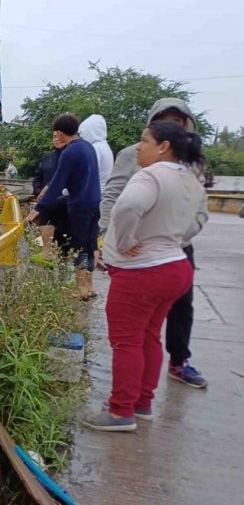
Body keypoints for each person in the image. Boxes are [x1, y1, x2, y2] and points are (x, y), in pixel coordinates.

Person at [84, 121, 207, 432]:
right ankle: (142, 403)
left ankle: (120, 411)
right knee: (149, 337)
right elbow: (197, 221)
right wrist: (171, 240)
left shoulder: (151, 175)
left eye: (145, 140)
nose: (140, 147)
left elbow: (126, 206)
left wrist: (123, 242)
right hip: (176, 267)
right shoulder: (190, 179)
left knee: (126, 342)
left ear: (163, 146)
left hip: (143, 272)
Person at [100, 98, 209, 389]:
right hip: (138, 250)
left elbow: (199, 210)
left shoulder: (188, 164)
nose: (172, 126)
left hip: (169, 249)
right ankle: (141, 401)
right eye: (165, 120)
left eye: (178, 121)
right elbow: (114, 197)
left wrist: (172, 238)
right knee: (142, 330)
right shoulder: (134, 156)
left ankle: (174, 365)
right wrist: (111, 236)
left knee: (144, 329)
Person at [26, 114, 101, 298]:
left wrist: (37, 209)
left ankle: (81, 289)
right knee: (91, 244)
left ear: (59, 133)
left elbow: (58, 183)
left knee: (79, 246)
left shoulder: (70, 151)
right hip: (94, 202)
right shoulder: (88, 146)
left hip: (80, 205)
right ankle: (90, 287)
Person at [80, 114, 114, 269]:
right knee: (92, 238)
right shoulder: (105, 147)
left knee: (85, 239)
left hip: (91, 197)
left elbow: (86, 174)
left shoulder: (94, 149)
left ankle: (86, 274)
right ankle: (90, 276)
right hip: (101, 196)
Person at [31, 133, 68, 261]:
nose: (57, 139)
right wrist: (38, 192)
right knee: (46, 226)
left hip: (64, 203)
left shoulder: (70, 157)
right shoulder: (47, 158)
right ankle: (47, 256)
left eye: (60, 136)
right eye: (54, 137)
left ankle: (63, 262)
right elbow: (37, 178)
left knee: (63, 236)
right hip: (46, 202)